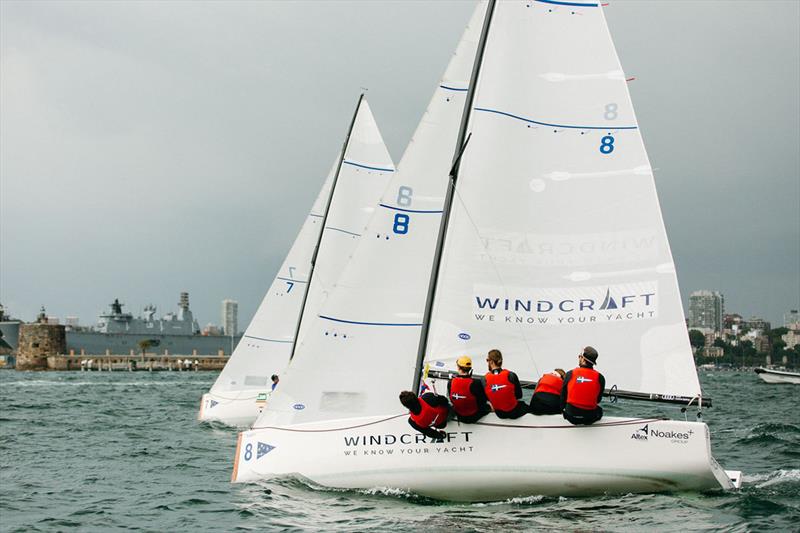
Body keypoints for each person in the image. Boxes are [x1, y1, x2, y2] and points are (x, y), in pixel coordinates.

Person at [561, 346, 605, 425]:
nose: (579, 358)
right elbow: (598, 400)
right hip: (589, 418)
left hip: (571, 417)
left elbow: (563, 397)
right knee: (599, 410)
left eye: (580, 356)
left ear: (583, 360)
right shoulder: (601, 378)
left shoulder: (570, 374)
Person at [484, 349, 528, 419]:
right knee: (526, 405)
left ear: (491, 362)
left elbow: (486, 398)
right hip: (514, 412)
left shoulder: (484, 379)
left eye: (487, 360)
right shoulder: (511, 375)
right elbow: (519, 395)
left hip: (499, 413)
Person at [448, 356, 492, 423]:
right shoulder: (476, 383)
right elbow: (482, 400)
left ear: (458, 367)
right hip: (474, 416)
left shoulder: (450, 382)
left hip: (460, 416)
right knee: (490, 405)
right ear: (470, 368)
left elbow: (451, 399)